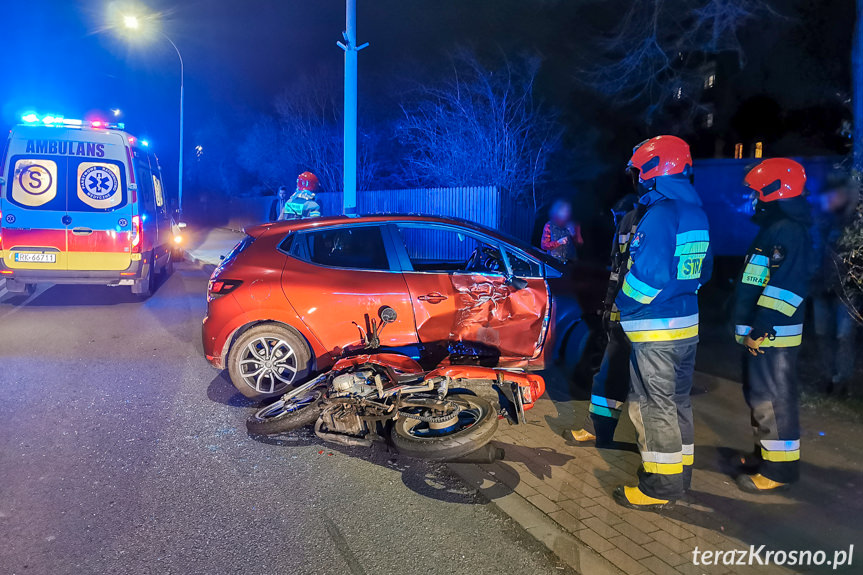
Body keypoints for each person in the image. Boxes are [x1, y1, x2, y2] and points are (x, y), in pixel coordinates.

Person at [612, 135, 712, 511]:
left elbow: (646, 278)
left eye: (638, 171)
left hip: (655, 331)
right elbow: (705, 273)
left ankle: (661, 487)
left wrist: (622, 303)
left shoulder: (659, 215)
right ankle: (681, 474)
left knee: (653, 407)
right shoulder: (696, 213)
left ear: (654, 171)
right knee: (677, 403)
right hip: (687, 328)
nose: (636, 178)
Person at [732, 158, 815, 493]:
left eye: (756, 191)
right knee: (760, 399)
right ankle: (765, 457)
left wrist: (760, 330)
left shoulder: (787, 231)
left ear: (773, 191)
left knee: (773, 402)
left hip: (771, 337)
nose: (752, 198)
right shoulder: (776, 228)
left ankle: (778, 472)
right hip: (764, 335)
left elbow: (786, 287)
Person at [569, 193, 643, 447]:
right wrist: (609, 309)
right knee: (609, 375)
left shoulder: (642, 222)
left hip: (643, 322)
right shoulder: (629, 227)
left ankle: (655, 453)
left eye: (616, 218)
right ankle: (598, 429)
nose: (617, 224)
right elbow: (617, 273)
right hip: (623, 317)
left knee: (640, 386)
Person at [811, 172, 859, 396]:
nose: (831, 199)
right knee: (823, 336)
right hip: (820, 288)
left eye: (836, 194)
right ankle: (827, 377)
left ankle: (842, 382)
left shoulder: (854, 223)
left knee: (844, 337)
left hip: (846, 292)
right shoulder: (819, 220)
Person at [541, 199, 583, 264]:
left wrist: (573, 234)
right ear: (556, 211)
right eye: (563, 210)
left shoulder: (574, 225)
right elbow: (544, 245)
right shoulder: (549, 225)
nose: (565, 213)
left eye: (567, 210)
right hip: (553, 262)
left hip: (571, 263)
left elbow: (579, 244)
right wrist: (558, 242)